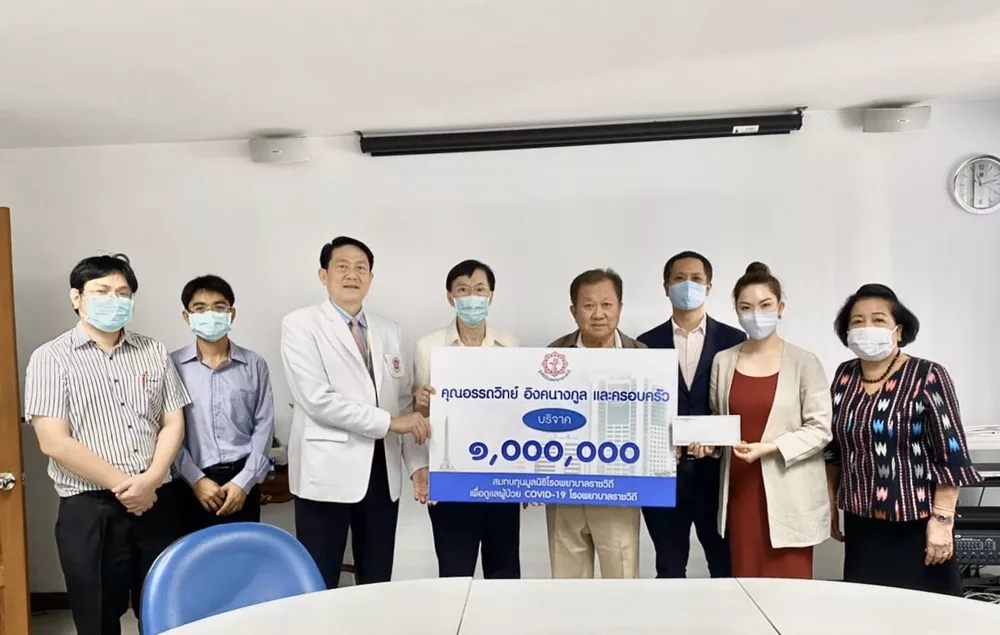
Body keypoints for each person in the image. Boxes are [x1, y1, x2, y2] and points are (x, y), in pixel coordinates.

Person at [23, 254, 190, 635]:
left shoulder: (153, 351)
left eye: (123, 293)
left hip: (157, 501)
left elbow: (173, 422)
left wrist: (151, 480)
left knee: (165, 610)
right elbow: (54, 441)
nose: (114, 300)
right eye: (101, 291)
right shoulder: (51, 357)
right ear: (76, 297)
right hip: (90, 509)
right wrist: (128, 487)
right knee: (97, 616)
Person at [280, 236, 430, 589]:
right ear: (323, 275)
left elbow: (401, 402)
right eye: (342, 267)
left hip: (382, 472)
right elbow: (317, 399)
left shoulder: (387, 329)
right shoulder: (300, 324)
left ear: (371, 278)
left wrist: (416, 464)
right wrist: (391, 423)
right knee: (319, 580)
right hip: (325, 471)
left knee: (377, 579)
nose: (352, 274)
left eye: (361, 267)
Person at [825, 283, 982, 595]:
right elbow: (834, 451)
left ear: (898, 331)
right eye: (858, 321)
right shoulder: (845, 376)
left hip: (917, 523)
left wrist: (942, 521)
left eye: (878, 320)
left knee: (925, 612)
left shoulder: (928, 375)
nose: (867, 327)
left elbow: (951, 454)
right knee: (866, 608)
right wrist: (830, 506)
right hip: (861, 522)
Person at [702, 262, 832, 579]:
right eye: (746, 307)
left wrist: (771, 447)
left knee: (792, 589)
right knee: (745, 584)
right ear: (736, 311)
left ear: (780, 308)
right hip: (740, 489)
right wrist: (708, 445)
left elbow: (820, 428)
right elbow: (719, 421)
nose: (755, 314)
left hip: (791, 492)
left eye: (765, 305)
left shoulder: (805, 362)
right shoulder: (723, 361)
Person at [637, 251, 745, 578]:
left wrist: (717, 442)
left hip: (716, 473)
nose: (688, 285)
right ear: (666, 287)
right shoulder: (645, 344)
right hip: (663, 474)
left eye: (696, 279)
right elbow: (641, 408)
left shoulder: (734, 340)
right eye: (679, 278)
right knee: (669, 566)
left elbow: (737, 402)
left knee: (724, 564)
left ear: (709, 287)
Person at [412, 259, 521, 579]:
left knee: (504, 574)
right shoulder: (428, 347)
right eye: (463, 290)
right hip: (450, 480)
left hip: (500, 478)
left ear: (491, 296)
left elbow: (518, 412)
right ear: (450, 297)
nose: (472, 297)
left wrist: (528, 474)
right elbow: (416, 414)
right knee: (455, 574)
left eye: (479, 290)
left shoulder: (510, 345)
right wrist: (420, 468)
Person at [546, 268, 644, 579]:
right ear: (573, 311)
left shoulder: (643, 355)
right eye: (588, 306)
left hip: (619, 489)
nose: (598, 314)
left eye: (606, 305)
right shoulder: (551, 355)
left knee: (622, 578)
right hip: (565, 489)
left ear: (620, 308)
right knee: (567, 583)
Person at [171, 275, 275, 533]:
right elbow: (167, 430)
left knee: (243, 552)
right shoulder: (171, 366)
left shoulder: (254, 365)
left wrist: (244, 482)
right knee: (195, 555)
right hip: (190, 482)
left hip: (242, 480)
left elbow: (264, 425)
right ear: (187, 316)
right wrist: (196, 480)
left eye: (219, 307)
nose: (210, 314)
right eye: (200, 308)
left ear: (232, 314)